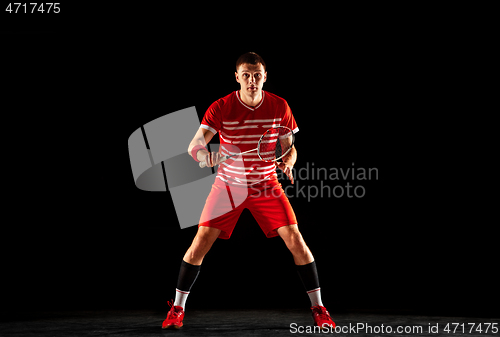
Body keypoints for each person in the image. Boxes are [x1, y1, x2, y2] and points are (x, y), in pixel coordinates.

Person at [162, 52, 335, 329]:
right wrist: (204, 157)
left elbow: (289, 147)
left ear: (265, 76)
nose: (252, 81)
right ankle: (177, 310)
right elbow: (194, 145)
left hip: (266, 185)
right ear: (237, 77)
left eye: (257, 75)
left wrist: (288, 162)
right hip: (228, 186)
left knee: (295, 239)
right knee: (199, 244)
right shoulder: (221, 107)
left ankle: (319, 308)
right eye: (246, 75)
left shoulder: (280, 106)